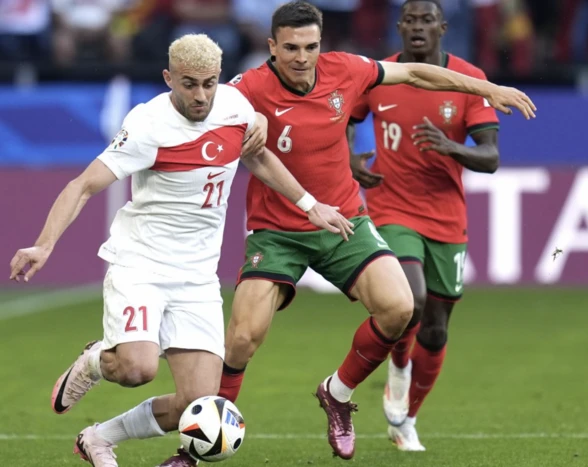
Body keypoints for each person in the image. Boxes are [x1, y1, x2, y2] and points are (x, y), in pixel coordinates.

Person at [8, 34, 353, 467]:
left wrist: (309, 204)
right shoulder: (147, 125)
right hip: (142, 264)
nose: (201, 95)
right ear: (168, 77)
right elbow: (83, 186)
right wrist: (44, 244)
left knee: (199, 403)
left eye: (209, 83)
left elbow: (259, 157)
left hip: (197, 277)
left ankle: (97, 439)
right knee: (137, 369)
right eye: (189, 84)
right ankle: (96, 360)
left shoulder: (234, 107)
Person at [218, 0, 535, 460]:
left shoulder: (346, 70)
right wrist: (246, 117)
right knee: (244, 338)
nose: (302, 58)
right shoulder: (247, 88)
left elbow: (418, 75)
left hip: (344, 220)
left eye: (310, 46)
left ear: (321, 44)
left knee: (401, 307)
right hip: (277, 229)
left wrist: (487, 87)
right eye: (290, 48)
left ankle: (338, 393)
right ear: (272, 46)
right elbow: (203, 109)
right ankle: (213, 425)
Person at [348, 0, 501, 451]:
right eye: (410, 20)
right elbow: (341, 120)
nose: (417, 27)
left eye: (426, 20)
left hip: (447, 216)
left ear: (442, 28)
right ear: (399, 27)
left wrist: (449, 147)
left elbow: (490, 157)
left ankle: (406, 418)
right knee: (409, 299)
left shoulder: (467, 80)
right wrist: (351, 159)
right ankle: (398, 364)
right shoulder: (379, 75)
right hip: (391, 207)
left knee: (435, 329)